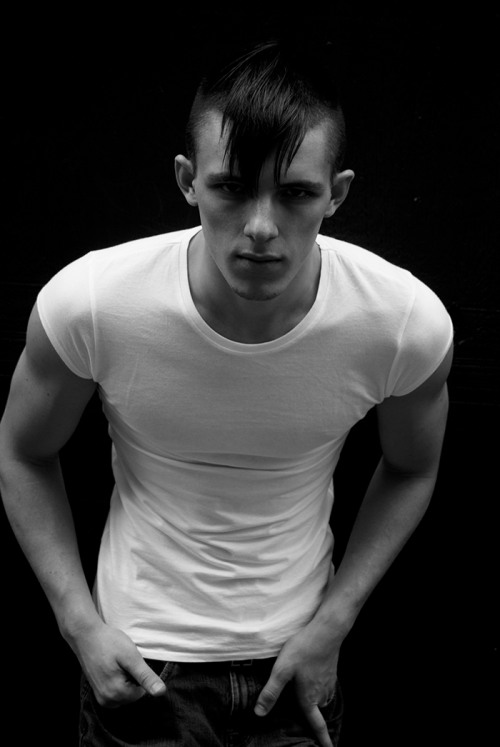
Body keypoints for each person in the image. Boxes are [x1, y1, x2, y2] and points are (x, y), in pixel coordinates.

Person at [0, 38, 453, 747]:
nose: (262, 227)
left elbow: (413, 466)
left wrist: (335, 622)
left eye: (296, 193)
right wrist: (79, 624)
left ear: (336, 193)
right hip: (141, 666)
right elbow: (24, 451)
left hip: (297, 666)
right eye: (233, 188)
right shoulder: (93, 302)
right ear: (188, 181)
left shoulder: (400, 324)